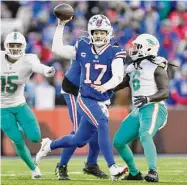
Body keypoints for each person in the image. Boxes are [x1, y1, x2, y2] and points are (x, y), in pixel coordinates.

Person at [35, 14, 128, 180]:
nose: (99, 36)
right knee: (97, 125)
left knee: (83, 137)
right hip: (77, 91)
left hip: (99, 95)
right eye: (96, 32)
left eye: (102, 32)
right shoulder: (83, 46)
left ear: (109, 33)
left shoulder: (114, 51)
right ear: (90, 33)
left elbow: (118, 74)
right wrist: (61, 25)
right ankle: (64, 165)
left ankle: (80, 158)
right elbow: (58, 49)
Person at [112, 33, 169, 182]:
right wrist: (104, 87)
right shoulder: (132, 67)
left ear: (148, 48)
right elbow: (121, 84)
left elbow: (165, 92)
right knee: (119, 141)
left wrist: (148, 98)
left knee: (145, 134)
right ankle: (134, 173)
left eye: (137, 47)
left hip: (153, 106)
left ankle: (153, 171)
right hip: (138, 109)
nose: (134, 49)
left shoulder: (157, 66)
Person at [0, 31, 55, 179]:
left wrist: (46, 70)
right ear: (6, 46)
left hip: (20, 105)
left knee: (35, 138)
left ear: (24, 46)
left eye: (18, 45)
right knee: (17, 141)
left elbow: (38, 66)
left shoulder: (28, 59)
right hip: (2, 109)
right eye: (12, 45)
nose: (15, 48)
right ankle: (33, 169)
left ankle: (20, 126)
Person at [55, 60, 108, 180]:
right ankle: (61, 164)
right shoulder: (84, 45)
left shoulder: (108, 49)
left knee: (96, 128)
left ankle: (91, 164)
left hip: (89, 92)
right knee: (78, 131)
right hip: (73, 90)